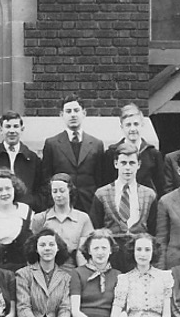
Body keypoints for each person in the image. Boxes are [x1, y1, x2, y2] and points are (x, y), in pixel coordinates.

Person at [88, 142, 158, 272]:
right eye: (123, 163)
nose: (127, 168)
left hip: (139, 255)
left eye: (132, 163)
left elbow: (153, 230)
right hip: (112, 256)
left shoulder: (149, 195)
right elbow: (96, 228)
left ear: (138, 165)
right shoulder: (102, 194)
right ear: (116, 164)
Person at [40, 94, 106, 212]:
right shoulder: (52, 144)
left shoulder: (97, 144)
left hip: (89, 204)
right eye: (68, 111)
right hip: (61, 205)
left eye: (76, 110)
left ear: (84, 113)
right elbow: (46, 179)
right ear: (62, 115)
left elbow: (100, 179)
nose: (73, 115)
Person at [0, 111, 42, 210]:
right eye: (7, 126)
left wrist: (32, 202)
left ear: (22, 129)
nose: (11, 131)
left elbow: (41, 186)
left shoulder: (32, 158)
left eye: (15, 126)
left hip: (25, 211)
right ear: (1, 130)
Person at [30, 173, 92, 268]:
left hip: (72, 269)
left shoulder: (83, 218)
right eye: (54, 191)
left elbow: (83, 253)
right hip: (47, 270)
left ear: (70, 191)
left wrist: (82, 275)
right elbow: (32, 251)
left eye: (62, 191)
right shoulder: (40, 219)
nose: (58, 195)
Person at [103, 103, 166, 195]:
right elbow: (106, 182)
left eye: (136, 124)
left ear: (142, 124)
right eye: (128, 125)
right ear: (122, 127)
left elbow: (160, 186)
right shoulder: (112, 153)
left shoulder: (153, 154)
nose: (132, 129)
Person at [0, 170, 33, 271]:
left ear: (15, 189)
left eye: (8, 188)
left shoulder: (27, 212)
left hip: (22, 274)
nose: (4, 193)